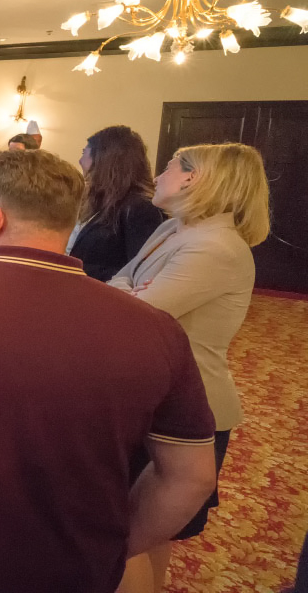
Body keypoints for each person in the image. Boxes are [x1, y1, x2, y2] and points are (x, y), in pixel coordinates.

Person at [0, 149, 218, 593]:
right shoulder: (158, 330)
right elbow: (192, 476)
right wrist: (116, 547)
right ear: (69, 222)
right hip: (75, 562)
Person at [111, 143, 271, 593]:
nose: (158, 175)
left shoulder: (215, 246)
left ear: (193, 178)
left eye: (168, 167)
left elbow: (135, 313)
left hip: (186, 407)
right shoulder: (175, 229)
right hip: (154, 393)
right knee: (140, 535)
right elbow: (121, 281)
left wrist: (132, 293)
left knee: (129, 537)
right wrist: (132, 290)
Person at [68, 125, 166, 282]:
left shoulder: (140, 208)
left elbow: (138, 271)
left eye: (84, 152)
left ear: (103, 158)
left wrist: (79, 269)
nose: (80, 161)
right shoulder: (105, 202)